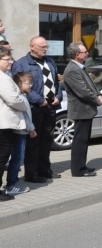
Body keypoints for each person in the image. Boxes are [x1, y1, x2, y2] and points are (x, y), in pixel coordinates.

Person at [11, 36, 62, 183]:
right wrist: (40, 101)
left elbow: (55, 82)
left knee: (47, 140)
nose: (45, 49)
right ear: (32, 46)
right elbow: (21, 87)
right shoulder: (22, 64)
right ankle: (31, 174)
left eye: (46, 46)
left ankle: (45, 170)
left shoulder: (50, 61)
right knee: (33, 143)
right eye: (42, 47)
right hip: (35, 108)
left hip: (51, 107)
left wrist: (58, 96)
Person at [61, 42, 102, 177]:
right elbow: (83, 91)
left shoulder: (81, 67)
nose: (87, 53)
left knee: (84, 140)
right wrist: (97, 100)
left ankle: (82, 165)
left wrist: (99, 93)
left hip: (86, 109)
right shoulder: (72, 69)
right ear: (76, 54)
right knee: (80, 140)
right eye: (84, 52)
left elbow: (91, 84)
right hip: (80, 110)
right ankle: (78, 170)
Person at [0, 45, 27, 201]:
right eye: (7, 59)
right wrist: (24, 102)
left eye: (11, 59)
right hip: (3, 124)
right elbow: (14, 99)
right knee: (2, 158)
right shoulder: (2, 78)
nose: (11, 62)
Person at [6, 72, 35, 195]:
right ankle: (12, 184)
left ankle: (14, 181)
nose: (30, 85)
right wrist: (31, 129)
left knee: (17, 158)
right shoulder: (20, 98)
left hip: (20, 131)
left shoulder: (22, 96)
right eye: (28, 83)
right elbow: (25, 116)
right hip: (20, 131)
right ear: (19, 84)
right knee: (18, 158)